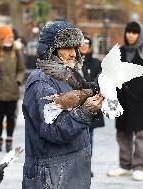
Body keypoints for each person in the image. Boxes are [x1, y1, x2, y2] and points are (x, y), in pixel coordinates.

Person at [22, 20, 103, 188]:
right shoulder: (41, 83)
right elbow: (52, 130)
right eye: (67, 48)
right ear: (51, 50)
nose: (73, 54)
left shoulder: (70, 75)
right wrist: (85, 111)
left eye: (75, 48)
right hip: (52, 175)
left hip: (72, 169)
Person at [106, 21, 143, 181]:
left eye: (134, 32)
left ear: (139, 34)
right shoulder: (119, 51)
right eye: (128, 32)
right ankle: (125, 165)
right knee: (123, 134)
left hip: (140, 100)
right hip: (122, 100)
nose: (130, 35)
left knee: (142, 135)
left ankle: (139, 166)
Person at [0, 24, 25, 152]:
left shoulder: (16, 51)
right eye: (7, 37)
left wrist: (18, 81)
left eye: (11, 37)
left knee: (11, 117)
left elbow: (21, 69)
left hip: (12, 90)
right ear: (2, 38)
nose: (10, 39)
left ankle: (9, 141)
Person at [79, 35, 105, 177]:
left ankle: (86, 166)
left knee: (89, 138)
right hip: (75, 107)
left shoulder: (96, 63)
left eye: (87, 42)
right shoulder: (72, 62)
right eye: (82, 43)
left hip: (91, 106)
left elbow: (101, 82)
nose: (84, 45)